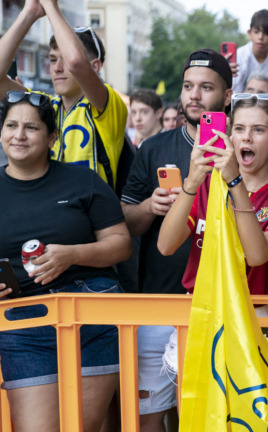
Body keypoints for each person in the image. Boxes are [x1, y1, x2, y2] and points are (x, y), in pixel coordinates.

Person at [0, 91, 131, 431]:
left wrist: (72, 254)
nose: (19, 135)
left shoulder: (83, 180)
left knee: (81, 427)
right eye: (11, 125)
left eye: (31, 127)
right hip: (23, 323)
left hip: (91, 311)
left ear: (52, 137)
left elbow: (121, 244)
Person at [120, 48, 232, 430]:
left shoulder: (243, 148)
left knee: (207, 420)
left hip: (221, 306)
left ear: (227, 96)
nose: (194, 95)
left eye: (206, 87)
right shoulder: (154, 147)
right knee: (148, 420)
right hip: (159, 304)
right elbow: (125, 221)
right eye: (187, 86)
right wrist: (149, 206)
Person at [158, 93, 268, 317]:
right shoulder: (207, 183)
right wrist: (192, 183)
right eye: (239, 129)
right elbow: (166, 246)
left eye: (258, 130)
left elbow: (256, 255)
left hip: (252, 313)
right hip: (199, 308)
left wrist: (235, 182)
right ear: (230, 136)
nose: (246, 137)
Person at [0, 0, 127, 190]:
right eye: (52, 59)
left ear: (94, 67)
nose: (57, 68)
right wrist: (30, 12)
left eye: (64, 59)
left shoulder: (108, 103)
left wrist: (50, 5)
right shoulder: (46, 105)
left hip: (92, 208)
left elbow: (76, 62)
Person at [231, 10, 268, 98]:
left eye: (266, 33)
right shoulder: (241, 54)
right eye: (256, 32)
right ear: (249, 33)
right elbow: (235, 91)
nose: (260, 37)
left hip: (267, 102)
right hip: (242, 102)